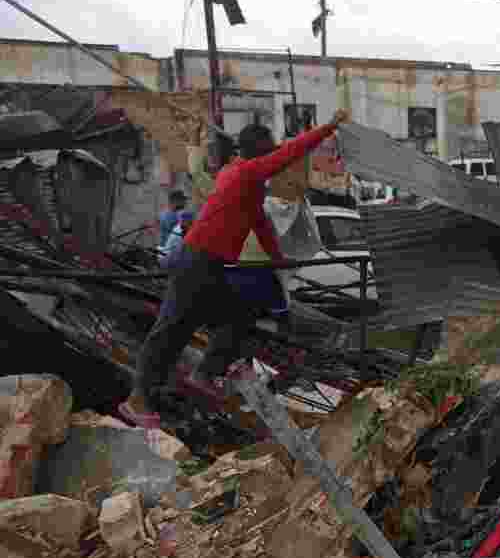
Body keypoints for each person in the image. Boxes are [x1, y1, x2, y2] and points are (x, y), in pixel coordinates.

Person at [119, 109, 351, 428]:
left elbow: (260, 224)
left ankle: (206, 373)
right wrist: (328, 127)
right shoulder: (246, 173)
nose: (273, 162)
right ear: (261, 154)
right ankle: (137, 400)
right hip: (196, 260)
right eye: (269, 154)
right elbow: (289, 153)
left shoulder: (243, 180)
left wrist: (278, 261)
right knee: (171, 330)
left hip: (212, 265)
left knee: (243, 311)